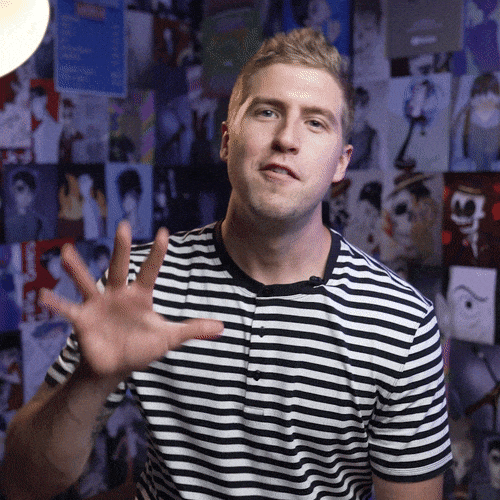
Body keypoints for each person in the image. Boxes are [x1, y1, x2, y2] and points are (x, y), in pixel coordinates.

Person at [2, 28, 451, 500]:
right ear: (226, 140)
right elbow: (21, 483)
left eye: (315, 122)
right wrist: (90, 382)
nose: (286, 138)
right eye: (267, 112)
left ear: (341, 164)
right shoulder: (136, 287)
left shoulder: (401, 324)